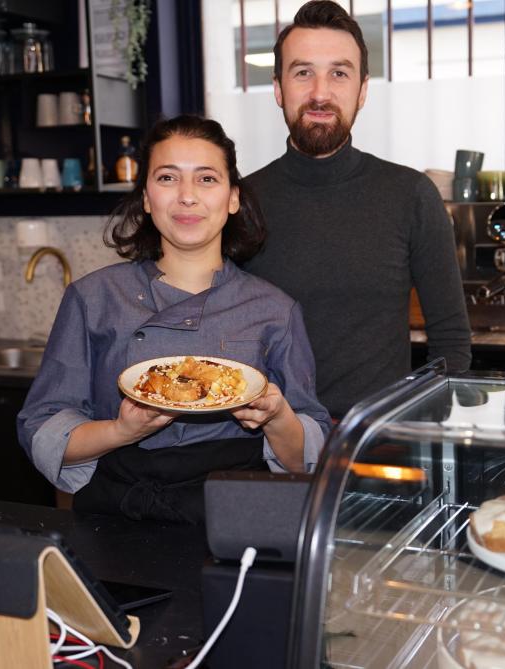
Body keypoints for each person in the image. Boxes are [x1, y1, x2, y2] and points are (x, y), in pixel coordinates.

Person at [17, 115, 331, 523]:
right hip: (115, 514)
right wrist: (122, 431)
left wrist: (278, 417)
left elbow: (305, 458)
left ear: (232, 198)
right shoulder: (93, 298)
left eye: (206, 179)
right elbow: (41, 430)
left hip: (234, 517)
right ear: (146, 197)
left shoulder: (274, 309)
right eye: (167, 178)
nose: (187, 197)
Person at [244, 0, 472, 418]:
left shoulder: (411, 195)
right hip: (265, 444)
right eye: (302, 72)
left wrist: (415, 433)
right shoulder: (240, 202)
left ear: (362, 90)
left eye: (339, 73)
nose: (320, 93)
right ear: (278, 89)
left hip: (377, 448)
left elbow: (451, 342)